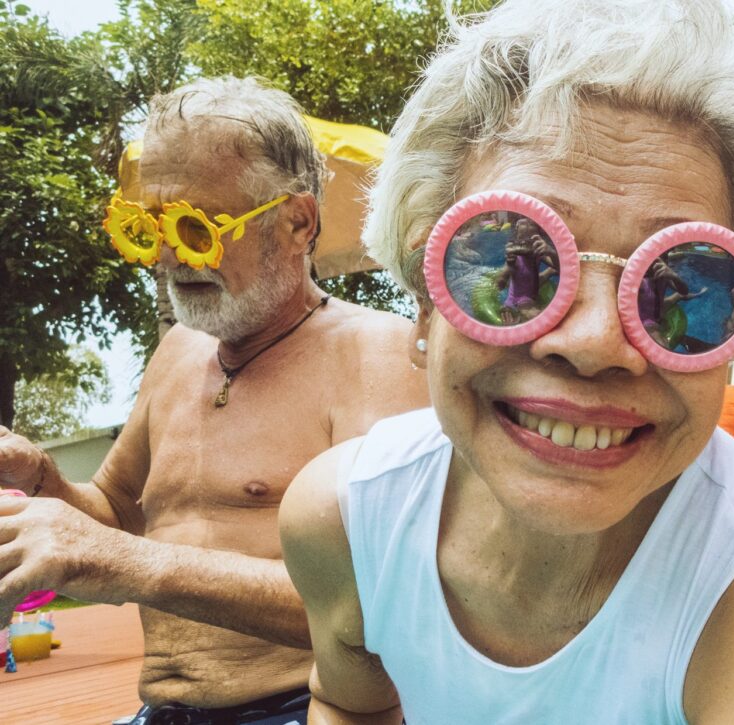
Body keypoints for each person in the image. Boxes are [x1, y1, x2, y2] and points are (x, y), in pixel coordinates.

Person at [279, 0, 734, 722]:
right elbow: (347, 702)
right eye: (513, 263)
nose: (591, 342)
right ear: (425, 303)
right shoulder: (344, 515)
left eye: (683, 289)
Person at [0, 76, 428, 723]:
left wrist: (125, 562)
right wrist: (45, 478)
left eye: (196, 229)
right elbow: (116, 512)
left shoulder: (377, 355)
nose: (167, 258)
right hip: (158, 710)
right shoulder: (177, 353)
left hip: (300, 707)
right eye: (147, 230)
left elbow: (382, 605)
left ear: (296, 222)